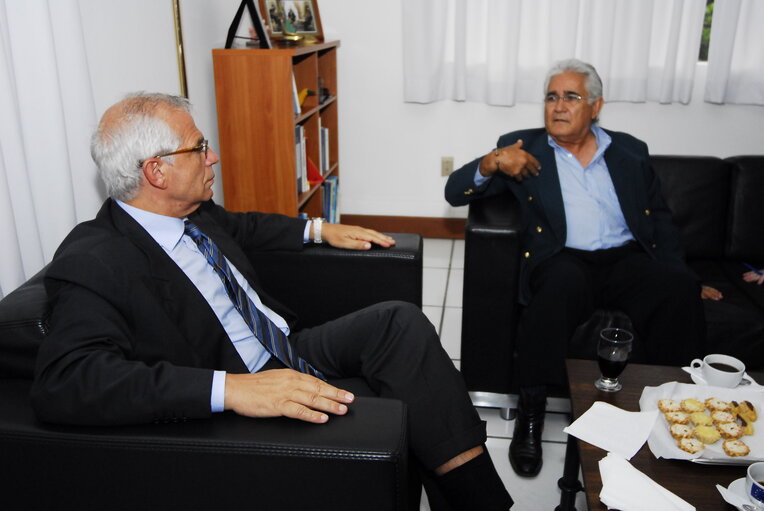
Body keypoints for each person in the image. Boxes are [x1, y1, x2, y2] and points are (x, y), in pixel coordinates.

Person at [31, 92, 512, 510]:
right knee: (414, 393)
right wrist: (232, 390)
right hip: (247, 385)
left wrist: (320, 229)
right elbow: (66, 381)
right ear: (157, 171)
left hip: (286, 346)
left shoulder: (193, 212)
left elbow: (247, 227)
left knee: (400, 323)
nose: (213, 155)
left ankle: (481, 503)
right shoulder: (95, 258)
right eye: (198, 147)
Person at [446, 59, 706, 477]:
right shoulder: (521, 148)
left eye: (571, 96)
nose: (559, 106)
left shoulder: (629, 151)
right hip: (562, 259)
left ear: (596, 106)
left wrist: (684, 273)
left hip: (625, 260)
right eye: (552, 97)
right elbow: (455, 190)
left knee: (677, 288)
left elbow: (659, 218)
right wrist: (493, 160)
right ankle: (530, 417)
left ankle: (670, 411)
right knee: (557, 289)